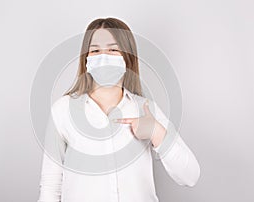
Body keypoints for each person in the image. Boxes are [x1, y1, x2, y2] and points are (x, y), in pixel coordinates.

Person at [37, 17, 200, 202]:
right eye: (95, 50)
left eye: (113, 50)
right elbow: (50, 186)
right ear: (86, 59)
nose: (103, 56)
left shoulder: (146, 109)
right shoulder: (63, 110)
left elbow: (190, 176)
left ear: (127, 58)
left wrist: (156, 132)